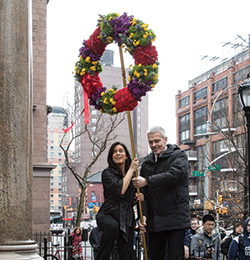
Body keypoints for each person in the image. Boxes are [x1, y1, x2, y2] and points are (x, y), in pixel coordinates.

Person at [132, 126, 190, 260]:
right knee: (155, 256)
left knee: (175, 256)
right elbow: (143, 193)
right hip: (154, 221)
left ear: (165, 139)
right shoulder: (146, 163)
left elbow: (174, 175)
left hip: (175, 218)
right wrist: (144, 214)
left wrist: (147, 181)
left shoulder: (179, 155)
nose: (154, 145)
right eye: (150, 142)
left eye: (157, 141)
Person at [95, 142, 143, 260]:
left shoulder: (132, 177)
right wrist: (131, 169)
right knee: (113, 227)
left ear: (126, 155)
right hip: (108, 214)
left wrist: (135, 200)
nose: (118, 153)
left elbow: (127, 199)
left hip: (126, 218)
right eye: (114, 152)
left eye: (121, 151)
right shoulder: (107, 174)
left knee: (127, 254)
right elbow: (119, 190)